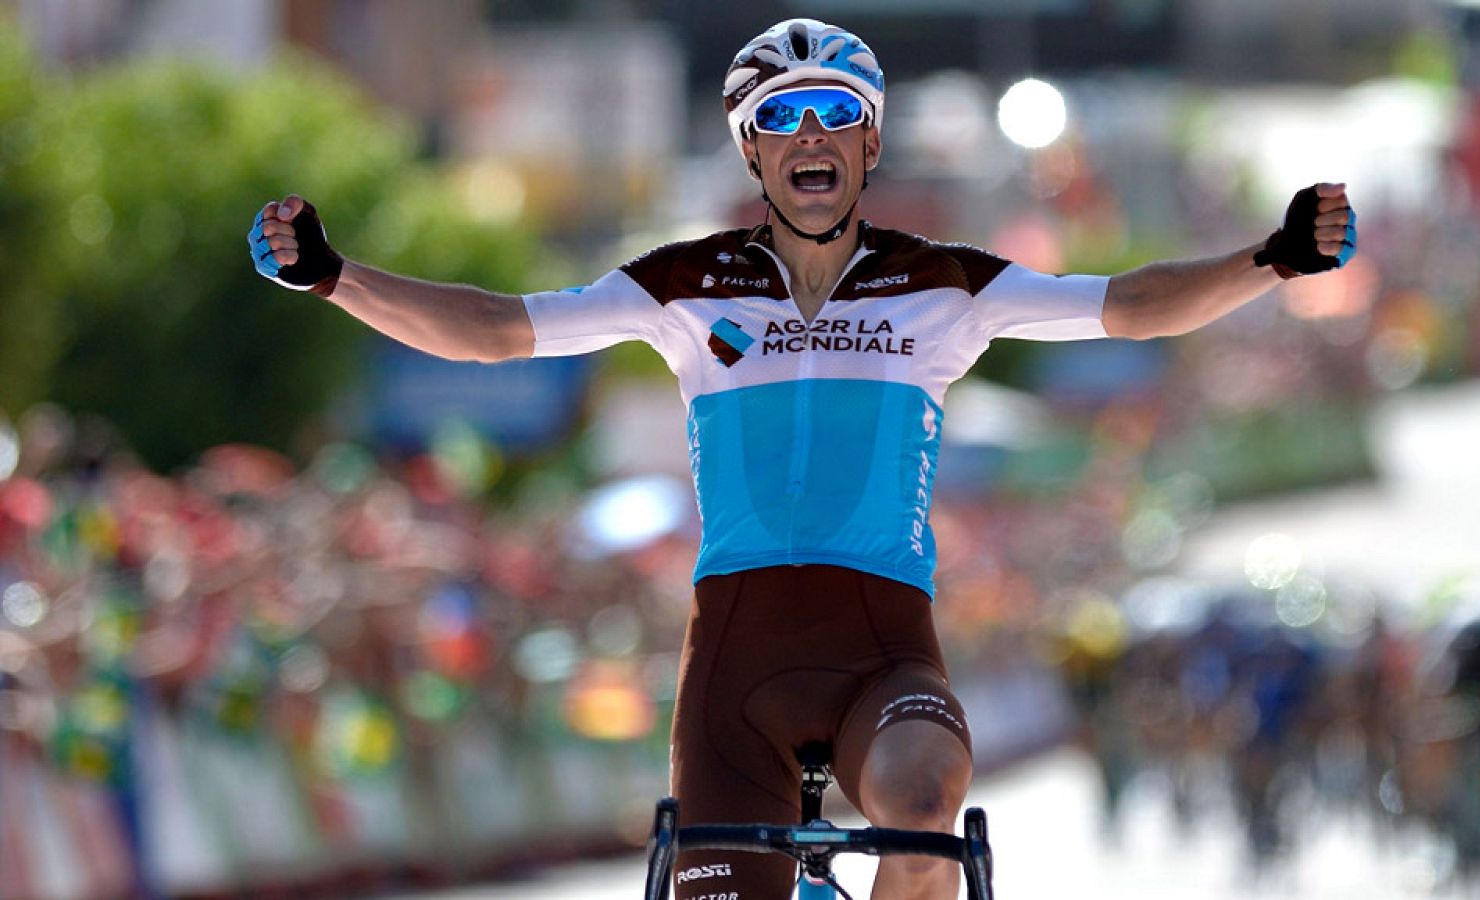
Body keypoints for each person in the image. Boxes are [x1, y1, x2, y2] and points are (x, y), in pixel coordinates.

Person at [248, 18, 1356, 900]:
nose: (812, 135)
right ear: (751, 147)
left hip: (884, 646)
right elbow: (495, 329)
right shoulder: (683, 283)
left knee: (924, 801)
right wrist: (338, 276)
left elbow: (1132, 306)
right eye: (784, 117)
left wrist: (1270, 258)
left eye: (838, 113)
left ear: (870, 143)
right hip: (736, 658)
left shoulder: (944, 282)